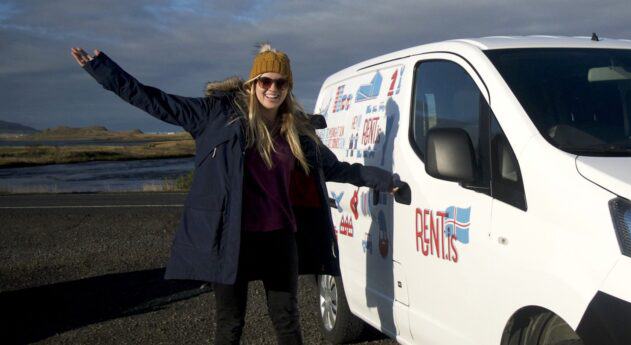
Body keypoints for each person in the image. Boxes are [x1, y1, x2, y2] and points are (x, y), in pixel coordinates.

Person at [71, 43, 405, 345]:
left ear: (288, 87)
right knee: (230, 324)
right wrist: (103, 70)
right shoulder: (216, 116)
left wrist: (384, 180)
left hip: (279, 240)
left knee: (287, 322)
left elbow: (338, 169)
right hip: (233, 240)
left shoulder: (297, 132)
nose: (272, 89)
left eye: (280, 83)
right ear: (252, 84)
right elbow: (154, 101)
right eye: (265, 81)